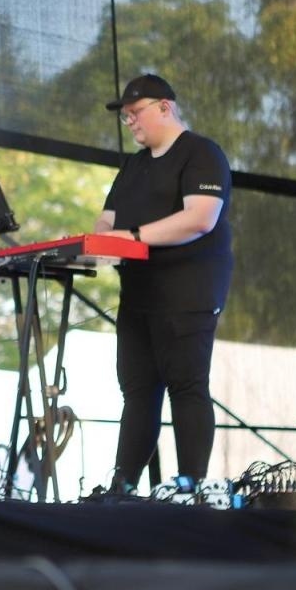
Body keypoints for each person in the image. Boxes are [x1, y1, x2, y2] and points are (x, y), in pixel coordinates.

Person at [93, 74, 233, 493]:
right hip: (138, 294)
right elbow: (107, 219)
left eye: (135, 113)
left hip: (187, 291)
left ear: (164, 107)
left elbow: (200, 218)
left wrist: (133, 238)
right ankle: (122, 485)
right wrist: (97, 239)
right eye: (126, 117)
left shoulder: (201, 153)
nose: (130, 122)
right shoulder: (133, 166)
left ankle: (191, 484)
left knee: (186, 385)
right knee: (137, 390)